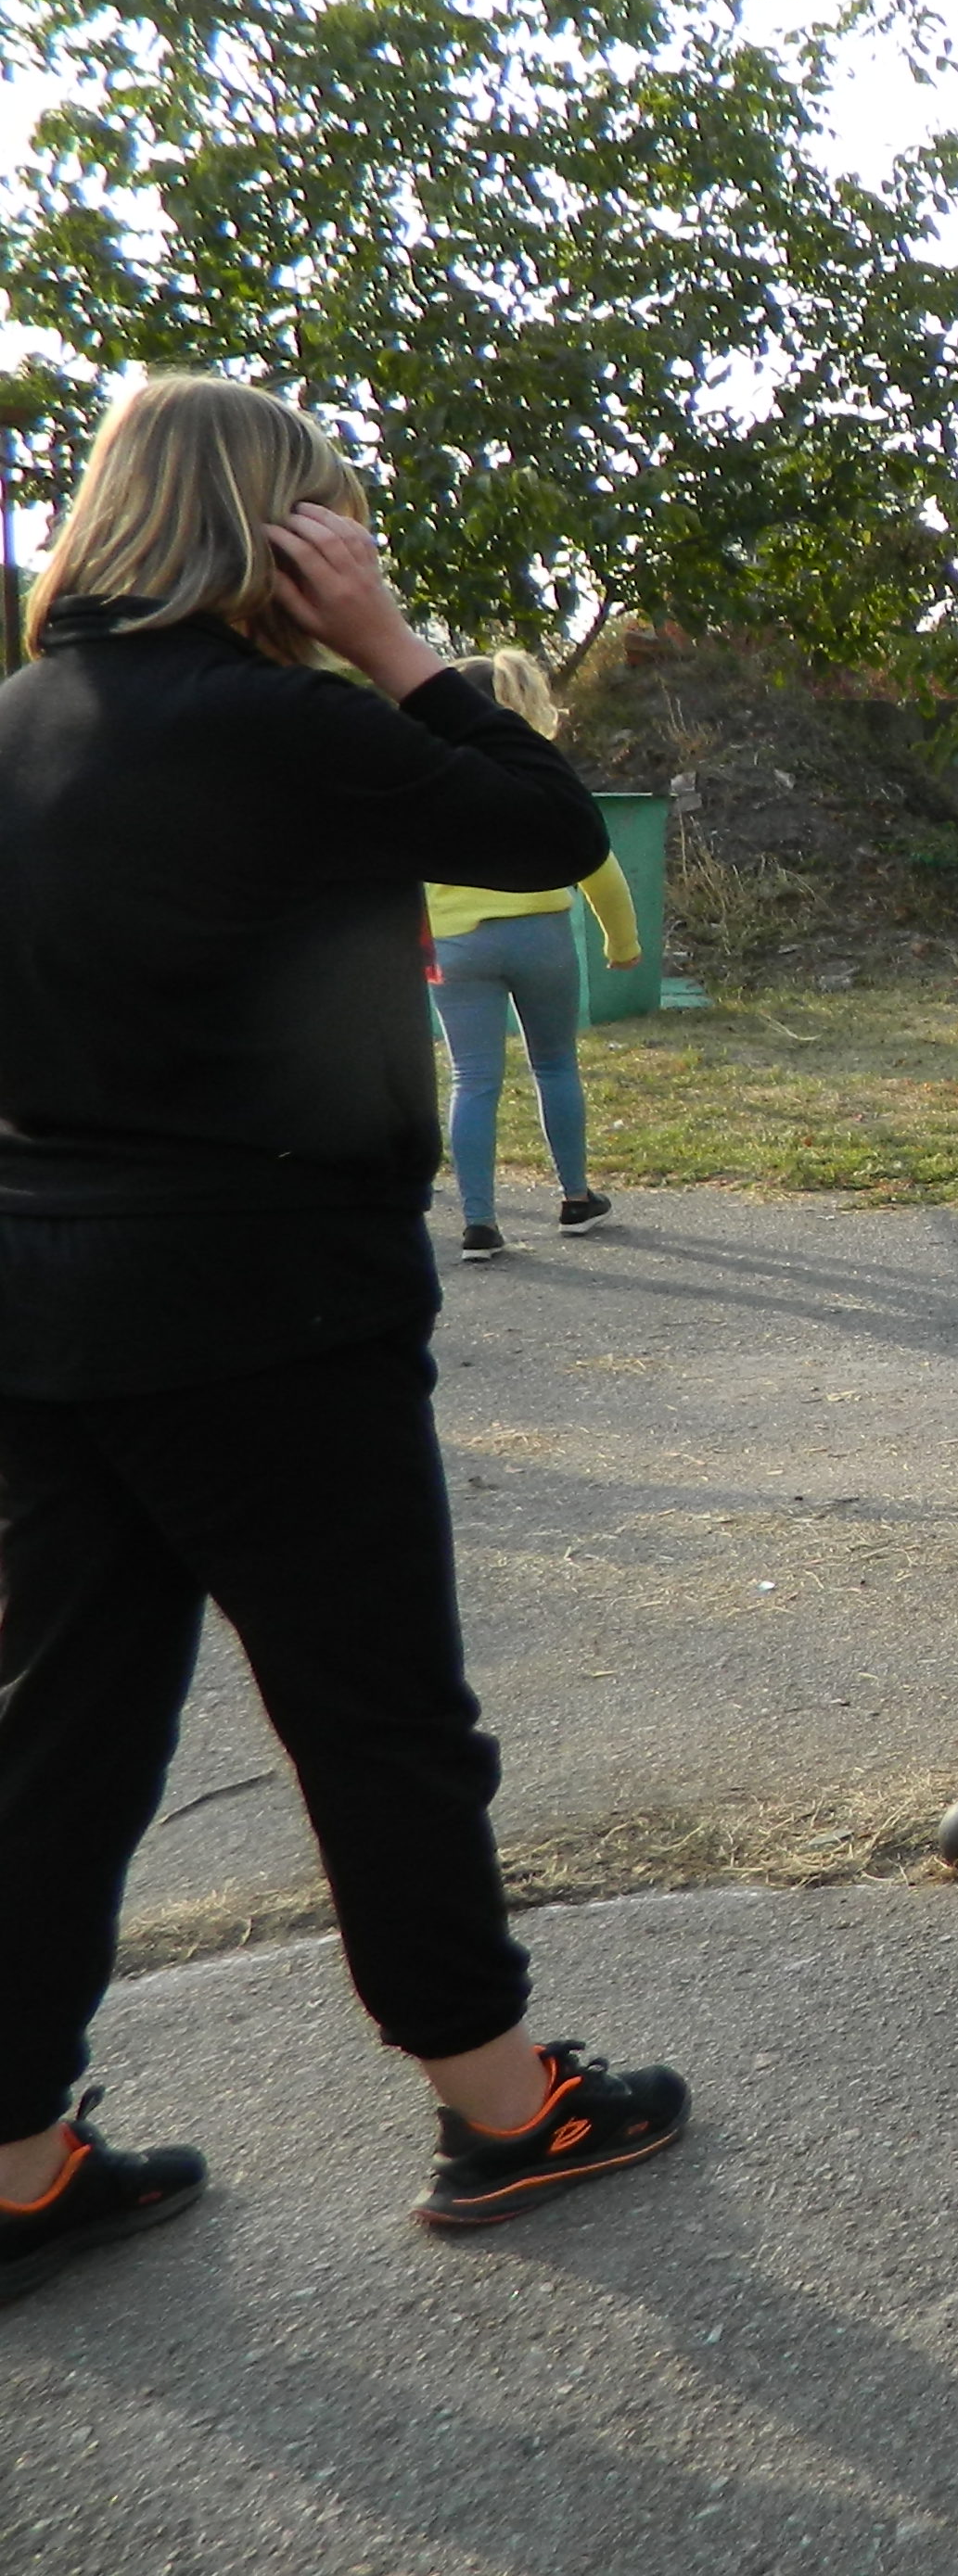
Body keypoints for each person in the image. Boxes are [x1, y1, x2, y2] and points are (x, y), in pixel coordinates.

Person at [0, 377, 691, 2303]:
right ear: (273, 532)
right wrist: (395, 646)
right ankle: (501, 2104)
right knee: (378, 1719)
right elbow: (549, 829)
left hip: (44, 1302)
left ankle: (15, 2158)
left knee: (57, 1737)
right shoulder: (294, 723)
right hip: (274, 1302)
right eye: (334, 519)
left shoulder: (15, 728)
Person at [428, 649, 643, 1264]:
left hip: (458, 944)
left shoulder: (430, 775)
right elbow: (598, 863)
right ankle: (576, 1199)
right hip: (541, 935)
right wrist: (621, 943)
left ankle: (479, 1225)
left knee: (473, 1079)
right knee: (554, 1066)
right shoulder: (539, 773)